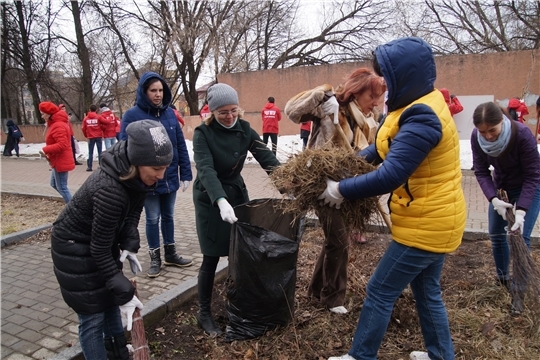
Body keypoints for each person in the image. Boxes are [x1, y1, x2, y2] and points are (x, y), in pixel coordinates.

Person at [322, 37, 466, 360]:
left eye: (386, 73)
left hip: (427, 225)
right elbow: (381, 147)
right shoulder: (411, 104)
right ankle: (441, 355)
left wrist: (341, 190)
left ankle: (361, 356)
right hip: (434, 218)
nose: (383, 82)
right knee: (427, 291)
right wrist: (349, 167)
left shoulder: (423, 117)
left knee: (379, 289)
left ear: (405, 74)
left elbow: (391, 175)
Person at [51, 120, 173, 360]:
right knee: (93, 315)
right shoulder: (110, 190)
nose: (161, 175)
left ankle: (118, 354)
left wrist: (128, 241)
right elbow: (98, 249)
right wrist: (124, 290)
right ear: (137, 161)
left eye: (165, 167)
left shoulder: (136, 175)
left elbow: (134, 210)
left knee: (109, 302)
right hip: (73, 248)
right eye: (156, 169)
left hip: (95, 242)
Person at [284, 67, 385, 314]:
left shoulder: (368, 121)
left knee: (334, 240)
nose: (375, 103)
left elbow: (366, 155)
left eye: (379, 98)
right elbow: (291, 111)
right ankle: (332, 298)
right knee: (339, 240)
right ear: (356, 91)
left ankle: (316, 291)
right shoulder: (331, 106)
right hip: (321, 185)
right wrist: (321, 95)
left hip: (347, 187)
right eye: (372, 96)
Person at [192, 83, 280, 336]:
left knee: (238, 254)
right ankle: (204, 314)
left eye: (233, 110)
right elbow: (206, 170)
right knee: (211, 257)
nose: (229, 116)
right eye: (222, 112)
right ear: (211, 112)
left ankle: (238, 307)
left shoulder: (244, 129)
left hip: (237, 195)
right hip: (211, 199)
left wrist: (289, 182)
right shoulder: (202, 133)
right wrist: (220, 201)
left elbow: (266, 157)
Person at [120, 71, 193, 278]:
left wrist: (185, 173)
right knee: (152, 218)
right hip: (148, 180)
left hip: (169, 177)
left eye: (161, 90)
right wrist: (132, 179)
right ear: (144, 92)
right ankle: (155, 257)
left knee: (169, 216)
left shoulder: (170, 113)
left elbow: (180, 145)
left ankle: (171, 253)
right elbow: (124, 148)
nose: (158, 94)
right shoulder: (132, 116)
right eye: (153, 90)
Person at [470, 101, 540, 315]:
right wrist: (493, 199)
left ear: (503, 121)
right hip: (501, 189)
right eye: (483, 131)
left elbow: (533, 175)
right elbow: (481, 171)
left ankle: (519, 292)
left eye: (492, 130)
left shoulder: (522, 136)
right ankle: (503, 279)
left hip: (528, 186)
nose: (488, 136)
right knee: (497, 235)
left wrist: (522, 211)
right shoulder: (477, 138)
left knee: (519, 237)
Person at [39, 102, 76, 203]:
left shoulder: (58, 125)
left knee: (62, 187)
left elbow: (62, 145)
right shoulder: (56, 124)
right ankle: (73, 205)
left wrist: (46, 149)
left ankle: (74, 209)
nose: (42, 116)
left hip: (61, 159)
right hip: (57, 159)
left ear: (49, 114)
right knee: (54, 184)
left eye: (43, 114)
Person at [82, 104, 105, 171]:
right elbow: (105, 122)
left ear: (89, 110)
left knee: (90, 152)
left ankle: (89, 166)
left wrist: (86, 135)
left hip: (90, 136)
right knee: (100, 151)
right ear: (96, 110)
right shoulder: (98, 117)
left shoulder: (86, 118)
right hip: (98, 136)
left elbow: (83, 128)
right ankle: (101, 166)